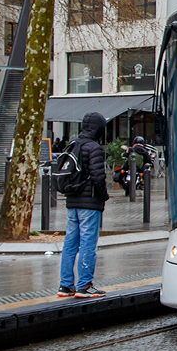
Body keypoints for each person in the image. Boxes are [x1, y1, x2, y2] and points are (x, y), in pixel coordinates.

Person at [58, 111, 109, 299]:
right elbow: (98, 176)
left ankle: (65, 285)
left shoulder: (72, 145)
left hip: (72, 201)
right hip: (89, 203)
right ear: (98, 129)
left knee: (70, 243)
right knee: (88, 243)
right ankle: (84, 285)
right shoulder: (93, 147)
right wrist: (103, 196)